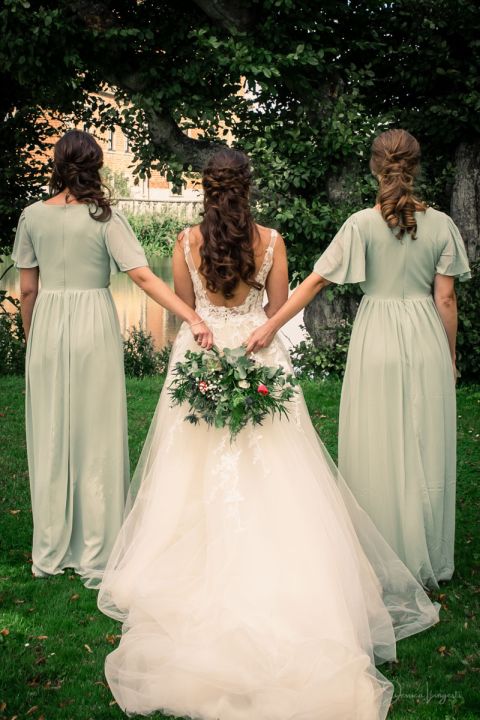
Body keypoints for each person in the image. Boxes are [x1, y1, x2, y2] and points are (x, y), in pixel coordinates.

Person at [98, 147, 439, 720]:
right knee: (280, 468)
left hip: (201, 352)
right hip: (260, 355)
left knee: (191, 468)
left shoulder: (184, 242)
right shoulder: (272, 242)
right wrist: (251, 327)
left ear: (206, 188)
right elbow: (277, 311)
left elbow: (186, 308)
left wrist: (205, 323)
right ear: (247, 186)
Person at [247, 129, 471, 589]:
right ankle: (427, 554)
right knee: (424, 441)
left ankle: (379, 549)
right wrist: (449, 356)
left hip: (377, 336)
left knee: (376, 437)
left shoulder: (361, 224)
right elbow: (446, 299)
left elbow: (315, 282)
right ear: (416, 167)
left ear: (374, 167)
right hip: (425, 337)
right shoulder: (442, 225)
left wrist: (270, 325)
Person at [13, 129, 212, 587]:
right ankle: (97, 547)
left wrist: (32, 337)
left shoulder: (31, 217)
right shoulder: (106, 218)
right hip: (94, 324)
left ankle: (50, 548)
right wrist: (191, 316)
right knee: (97, 430)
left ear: (57, 165)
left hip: (48, 325)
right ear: (95, 166)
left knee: (51, 430)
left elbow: (27, 289)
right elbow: (142, 278)